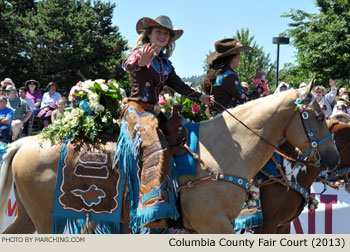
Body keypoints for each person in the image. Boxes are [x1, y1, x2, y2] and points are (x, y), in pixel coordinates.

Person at [117, 15, 212, 230]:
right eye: (158, 32)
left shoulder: (165, 64)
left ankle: (178, 201)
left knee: (184, 141)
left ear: (169, 39)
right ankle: (150, 208)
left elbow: (180, 86)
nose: (162, 36)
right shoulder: (140, 53)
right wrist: (141, 62)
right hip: (136, 111)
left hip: (155, 114)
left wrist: (201, 98)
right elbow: (129, 65)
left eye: (166, 33)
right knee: (158, 150)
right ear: (148, 34)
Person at [201, 38, 263, 115]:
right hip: (226, 122)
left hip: (216, 119)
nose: (240, 58)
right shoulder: (229, 76)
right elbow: (246, 100)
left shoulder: (217, 75)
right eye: (239, 55)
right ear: (232, 57)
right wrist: (261, 86)